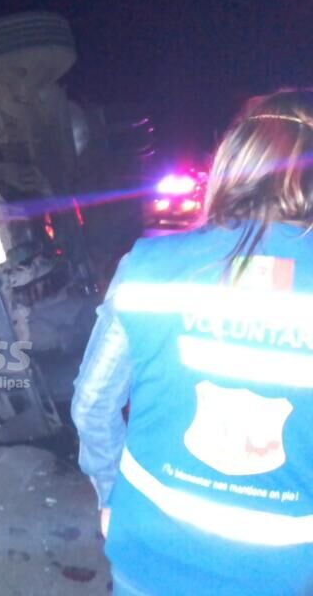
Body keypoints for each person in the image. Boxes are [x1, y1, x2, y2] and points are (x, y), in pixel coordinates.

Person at [71, 88, 313, 596]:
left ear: (232, 164)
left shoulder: (147, 267)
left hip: (146, 553)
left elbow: (92, 404)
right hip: (281, 573)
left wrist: (109, 497)